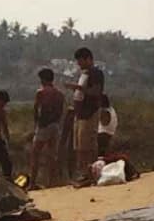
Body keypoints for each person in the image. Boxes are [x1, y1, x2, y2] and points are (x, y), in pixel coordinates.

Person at [65, 47, 106, 182]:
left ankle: (91, 171)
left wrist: (77, 88)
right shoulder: (85, 74)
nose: (79, 64)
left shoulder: (96, 73)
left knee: (87, 145)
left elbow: (95, 91)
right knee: (79, 146)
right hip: (80, 114)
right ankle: (82, 172)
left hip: (89, 113)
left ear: (88, 59)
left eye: (81, 61)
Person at [29, 68, 65, 189]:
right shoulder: (59, 94)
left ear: (43, 79)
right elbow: (60, 111)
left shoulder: (41, 92)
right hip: (55, 125)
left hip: (44, 126)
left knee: (35, 154)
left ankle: (32, 183)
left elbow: (36, 110)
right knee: (52, 155)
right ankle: (52, 182)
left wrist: (37, 125)